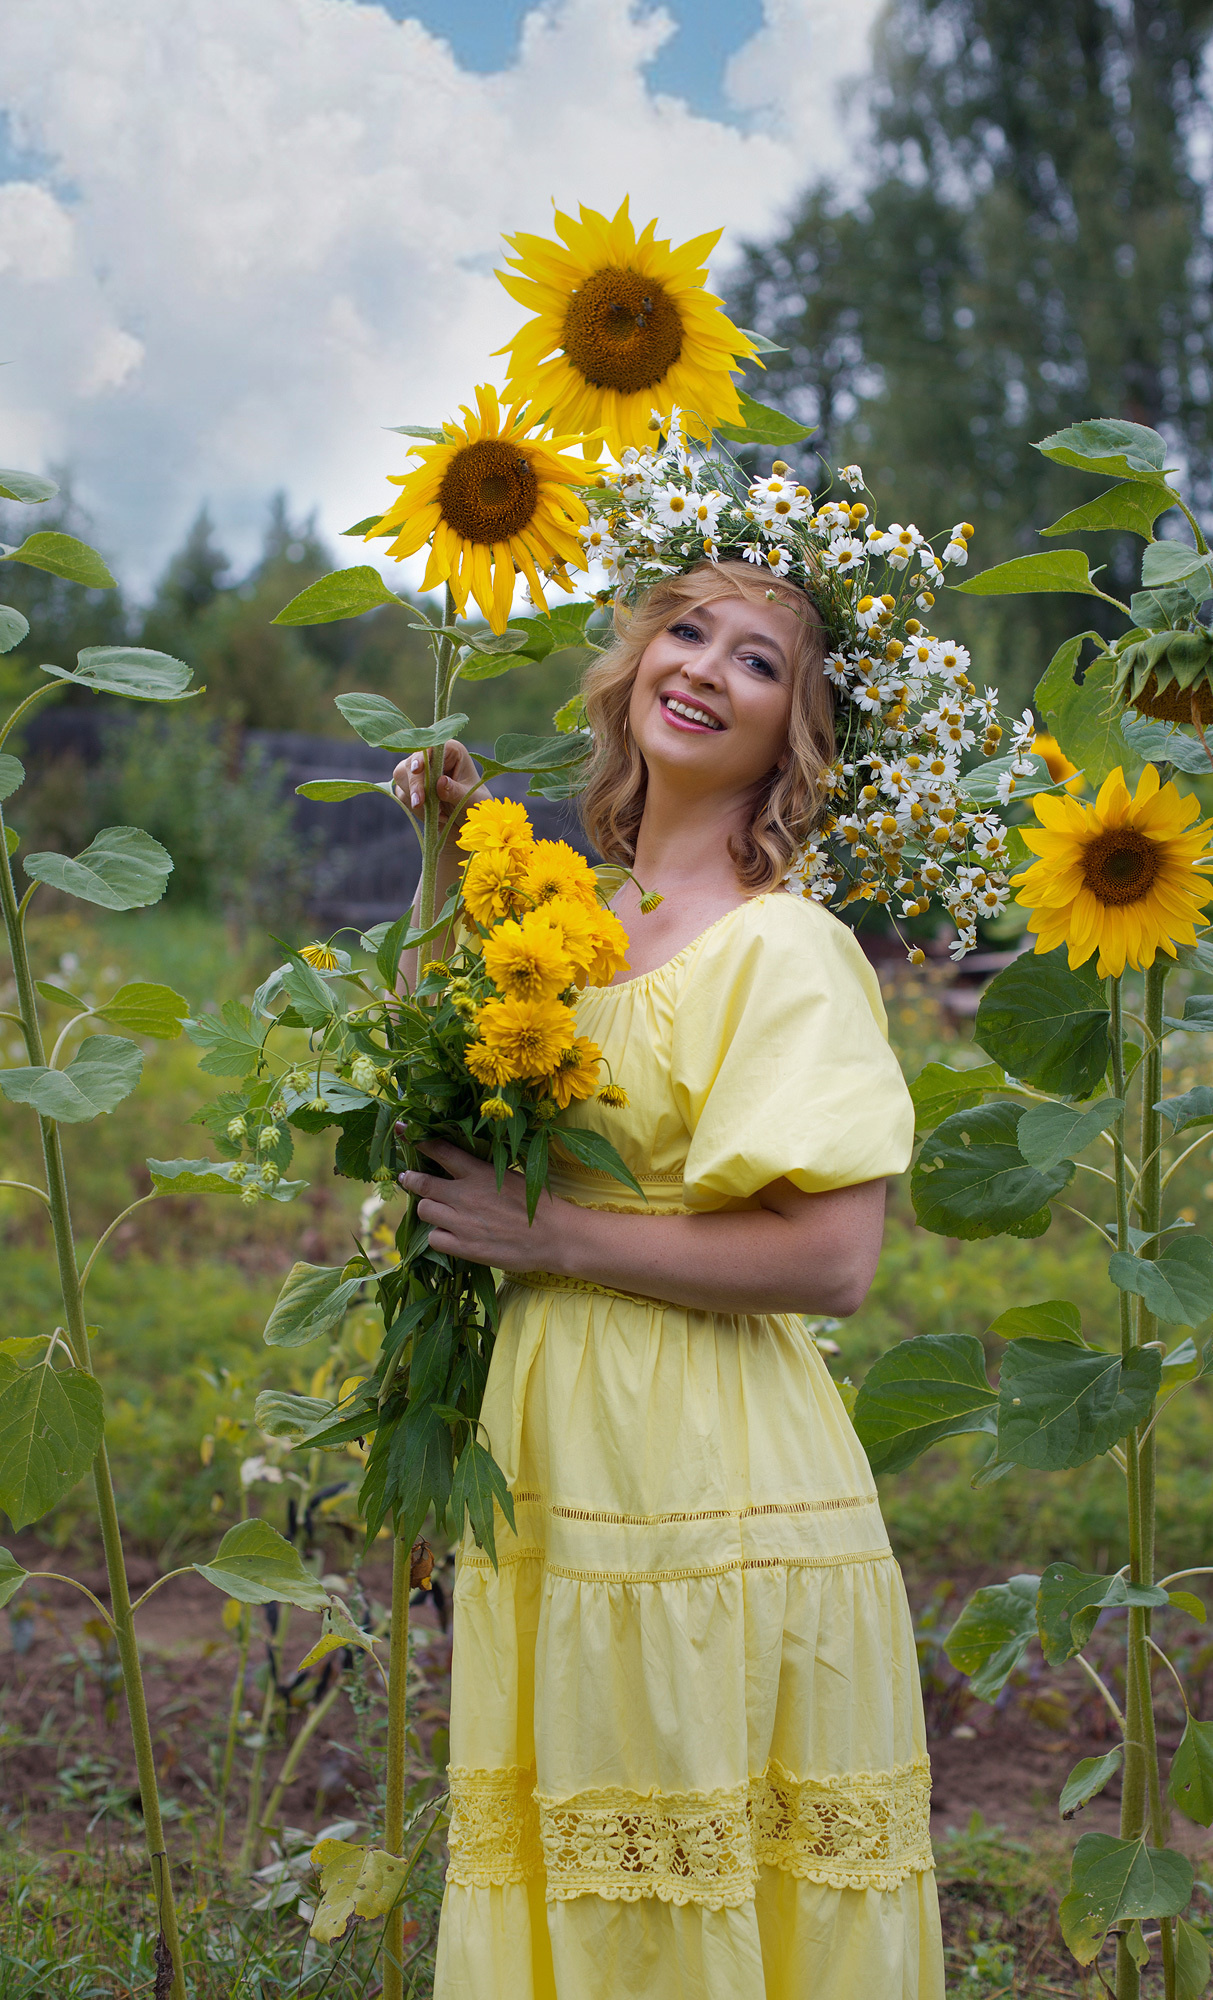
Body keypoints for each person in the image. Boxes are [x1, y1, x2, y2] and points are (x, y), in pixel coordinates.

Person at [392, 556, 942, 2000]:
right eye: (682, 632)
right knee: (577, 1847)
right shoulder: (561, 917)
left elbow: (833, 1258)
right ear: (630, 666)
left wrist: (554, 1239)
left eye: (756, 660)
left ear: (799, 732)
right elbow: (417, 1112)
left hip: (714, 1472)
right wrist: (446, 872)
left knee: (695, 1857)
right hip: (556, 1447)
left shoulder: (789, 949)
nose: (699, 668)